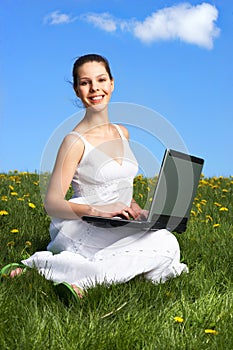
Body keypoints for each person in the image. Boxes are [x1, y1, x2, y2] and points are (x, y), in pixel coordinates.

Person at [8, 54, 188, 297]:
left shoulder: (122, 133)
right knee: (160, 251)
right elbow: (52, 203)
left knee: (166, 240)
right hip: (81, 224)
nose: (95, 88)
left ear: (112, 83)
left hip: (115, 220)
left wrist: (137, 211)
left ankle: (79, 272)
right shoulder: (74, 141)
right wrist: (97, 211)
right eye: (85, 82)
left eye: (101, 80)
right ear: (76, 90)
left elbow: (122, 187)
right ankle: (57, 272)